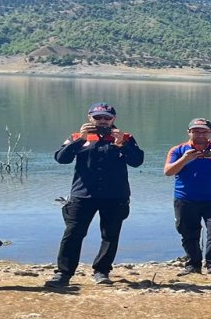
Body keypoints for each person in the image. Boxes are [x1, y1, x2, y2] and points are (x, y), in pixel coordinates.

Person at [45, 102, 145, 289]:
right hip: (83, 195)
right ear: (89, 117)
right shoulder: (78, 137)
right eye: (98, 117)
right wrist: (79, 140)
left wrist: (122, 144)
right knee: (73, 233)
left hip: (115, 196)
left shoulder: (125, 138)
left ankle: (102, 271)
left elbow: (137, 161)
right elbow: (61, 158)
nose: (102, 121)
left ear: (113, 119)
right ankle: (63, 273)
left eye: (107, 117)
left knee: (110, 235)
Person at [164, 118, 211, 276]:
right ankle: (193, 265)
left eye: (204, 131)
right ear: (189, 132)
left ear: (210, 133)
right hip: (184, 199)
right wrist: (185, 159)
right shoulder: (178, 150)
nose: (200, 134)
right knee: (188, 233)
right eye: (196, 131)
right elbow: (168, 172)